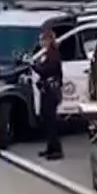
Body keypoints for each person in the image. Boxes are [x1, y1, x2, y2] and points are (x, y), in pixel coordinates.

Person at [31, 28, 64, 160]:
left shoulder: (53, 54)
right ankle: (50, 147)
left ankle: (57, 149)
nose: (40, 42)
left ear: (49, 40)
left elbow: (46, 70)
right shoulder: (44, 53)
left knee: (51, 121)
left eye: (42, 40)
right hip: (45, 90)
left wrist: (33, 66)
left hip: (52, 91)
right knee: (46, 118)